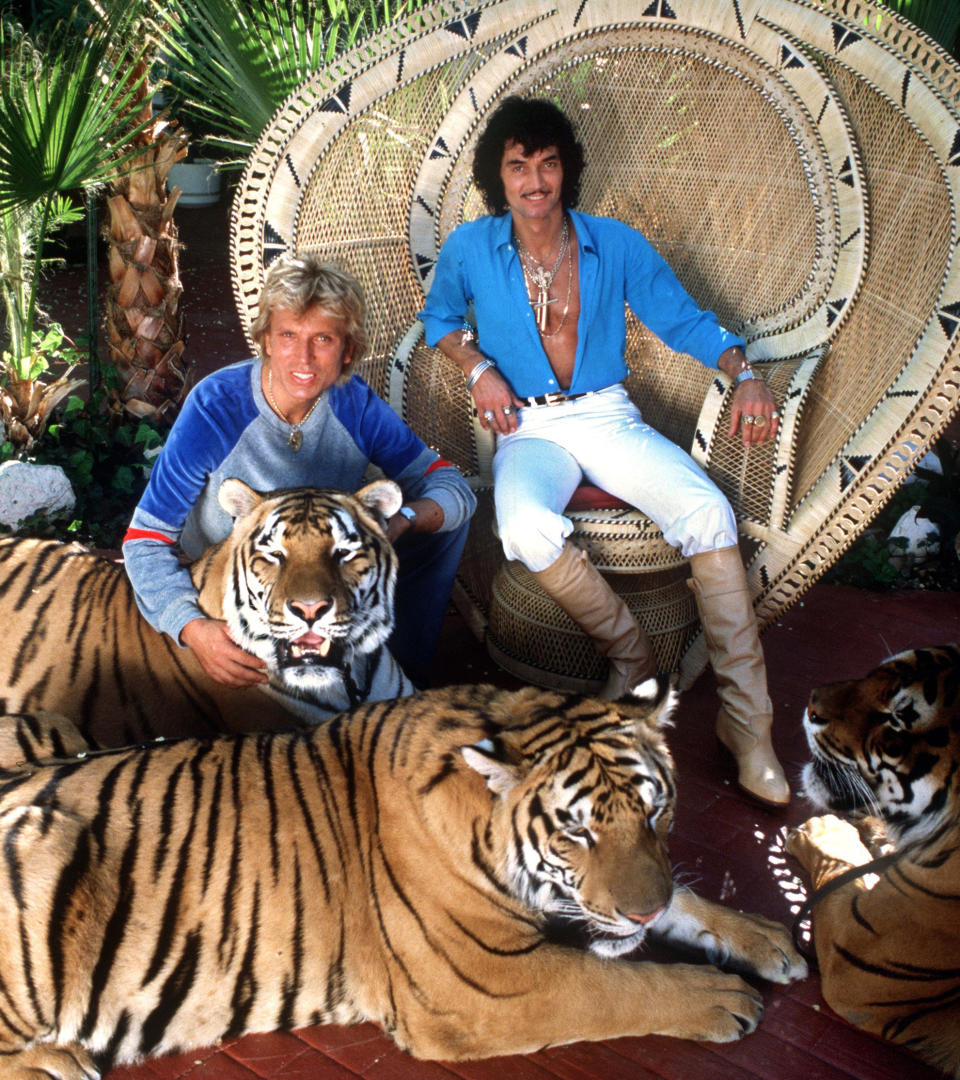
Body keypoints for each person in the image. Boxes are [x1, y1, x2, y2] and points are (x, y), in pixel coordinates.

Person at [419, 96, 789, 807]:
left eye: (549, 164)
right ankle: (632, 655)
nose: (535, 181)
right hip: (528, 427)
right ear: (498, 176)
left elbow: (683, 319)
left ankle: (749, 727)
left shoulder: (612, 242)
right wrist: (478, 369)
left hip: (606, 417)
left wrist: (744, 374)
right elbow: (438, 319)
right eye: (519, 165)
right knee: (523, 524)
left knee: (709, 511)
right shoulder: (471, 247)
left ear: (567, 170)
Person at [124, 253, 475, 690]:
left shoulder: (355, 405)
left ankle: (406, 667)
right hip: (232, 587)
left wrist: (401, 523)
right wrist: (191, 628)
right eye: (288, 335)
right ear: (266, 341)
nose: (304, 358)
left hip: (323, 580)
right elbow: (145, 540)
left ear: (347, 349)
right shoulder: (216, 407)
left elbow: (452, 487)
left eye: (323, 339)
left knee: (440, 524)